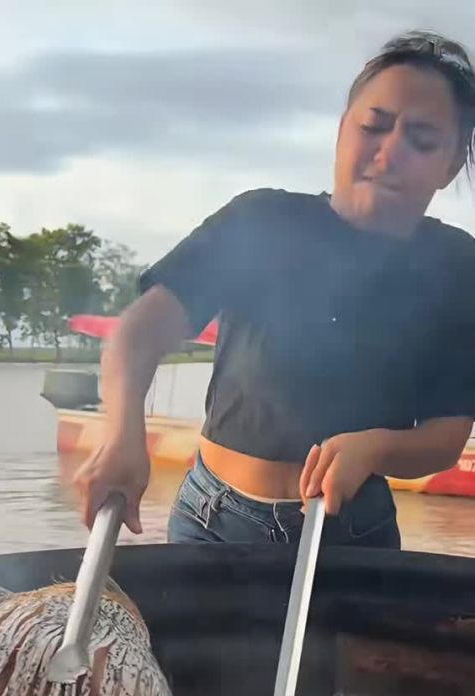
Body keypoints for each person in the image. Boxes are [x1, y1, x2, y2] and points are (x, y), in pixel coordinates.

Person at [75, 31, 475, 551]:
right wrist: (122, 432)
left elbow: (445, 439)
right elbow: (141, 330)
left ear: (450, 165)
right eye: (373, 126)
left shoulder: (456, 266)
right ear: (342, 130)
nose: (390, 151)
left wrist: (376, 447)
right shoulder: (261, 219)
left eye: (421, 140)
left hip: (352, 529)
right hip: (211, 519)